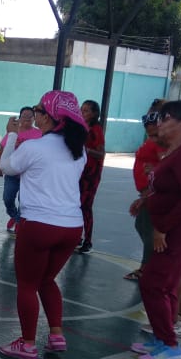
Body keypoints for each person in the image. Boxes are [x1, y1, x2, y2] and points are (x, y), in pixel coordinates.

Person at [0, 90, 88, 359]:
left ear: (48, 118)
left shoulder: (34, 147)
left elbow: (6, 167)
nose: (34, 113)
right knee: (47, 280)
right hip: (71, 226)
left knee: (27, 284)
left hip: (38, 225)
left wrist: (12, 135)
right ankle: (56, 335)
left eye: (38, 110)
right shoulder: (78, 151)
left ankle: (27, 344)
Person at [129, 100, 181, 359]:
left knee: (153, 281)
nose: (160, 123)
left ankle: (170, 345)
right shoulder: (179, 149)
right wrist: (146, 199)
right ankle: (164, 338)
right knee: (168, 281)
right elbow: (170, 187)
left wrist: (162, 228)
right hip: (179, 226)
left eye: (166, 118)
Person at [124, 99, 167, 281]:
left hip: (153, 193)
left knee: (148, 229)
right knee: (141, 225)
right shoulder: (154, 139)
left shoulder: (160, 141)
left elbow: (167, 164)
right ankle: (149, 265)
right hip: (147, 192)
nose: (148, 122)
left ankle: (148, 267)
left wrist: (154, 173)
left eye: (152, 117)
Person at [0, 105, 41, 231]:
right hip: (12, 173)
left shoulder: (39, 134)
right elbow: (2, 148)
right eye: (24, 116)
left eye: (30, 116)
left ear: (34, 118)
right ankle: (15, 216)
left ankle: (20, 222)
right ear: (20, 117)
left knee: (24, 201)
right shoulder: (13, 132)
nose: (27, 118)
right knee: (8, 199)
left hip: (28, 175)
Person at [77, 98, 106, 253]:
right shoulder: (84, 127)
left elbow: (101, 152)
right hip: (81, 172)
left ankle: (88, 241)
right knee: (77, 204)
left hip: (91, 175)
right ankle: (78, 237)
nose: (83, 112)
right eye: (82, 109)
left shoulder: (96, 129)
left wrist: (87, 150)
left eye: (86, 110)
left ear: (95, 113)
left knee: (85, 206)